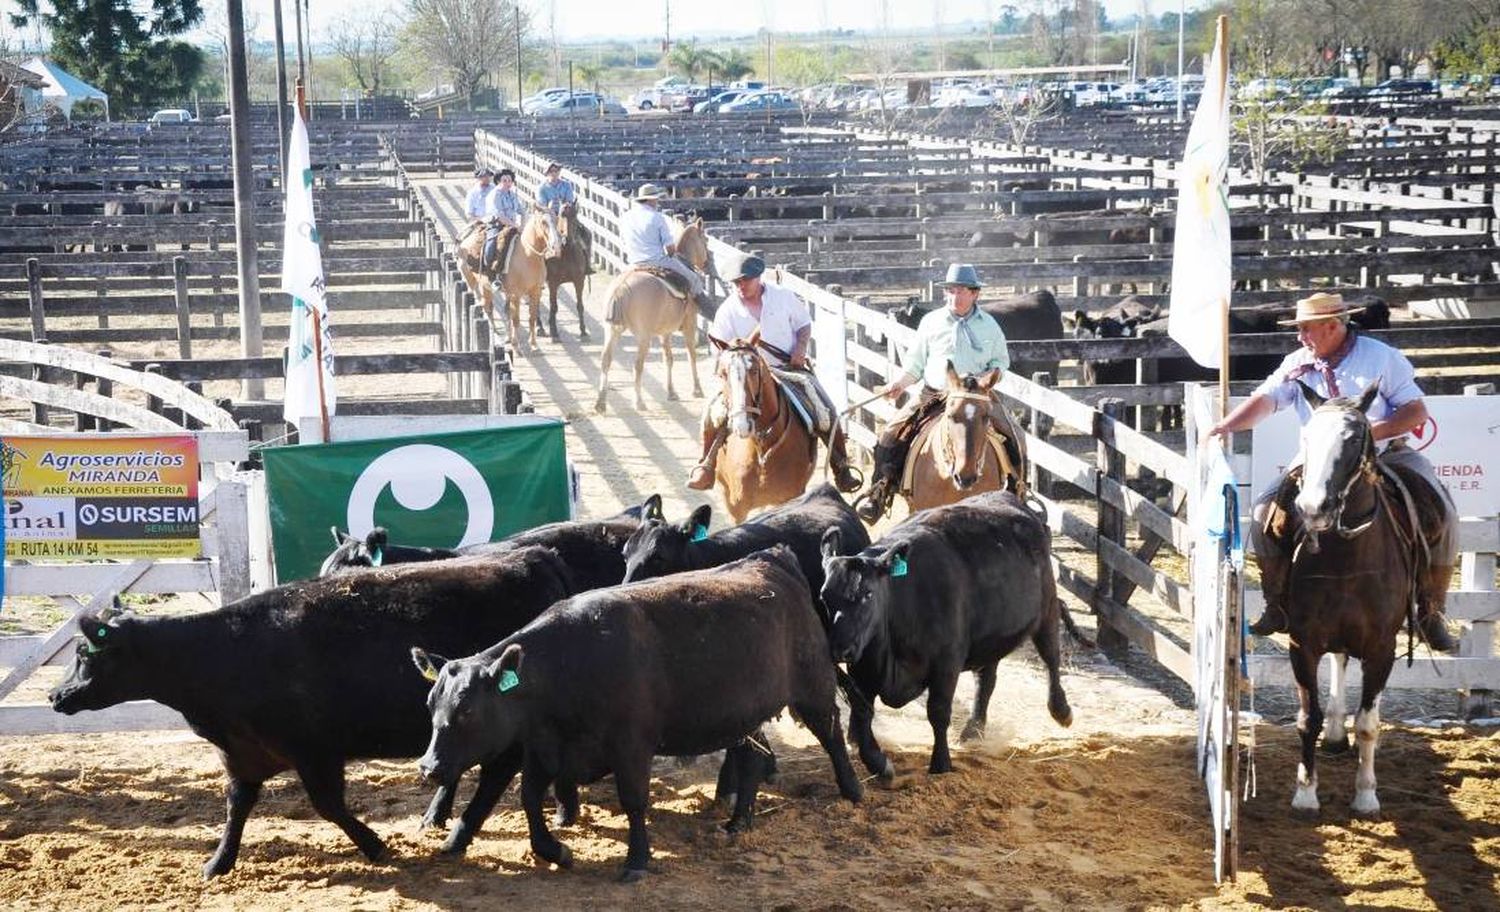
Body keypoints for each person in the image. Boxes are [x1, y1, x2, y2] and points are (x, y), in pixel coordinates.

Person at [1206, 292, 1459, 651]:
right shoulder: (1298, 361)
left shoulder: (1381, 358)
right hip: (1319, 461)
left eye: (1306, 329)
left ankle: (1432, 610)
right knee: (1264, 512)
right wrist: (1226, 426)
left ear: (1333, 326)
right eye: (1299, 330)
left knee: (1442, 511)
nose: (1300, 337)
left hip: (1385, 453)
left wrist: (1369, 433)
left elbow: (1415, 412)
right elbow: (1266, 399)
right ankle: (1276, 602)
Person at [852, 264, 1022, 524]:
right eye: (951, 291)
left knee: (1014, 435)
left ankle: (1020, 493)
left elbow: (1001, 363)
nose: (955, 296)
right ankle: (879, 492)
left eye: (962, 291)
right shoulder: (931, 322)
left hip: (977, 396)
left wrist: (985, 380)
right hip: (934, 393)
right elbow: (915, 364)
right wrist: (899, 383)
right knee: (891, 433)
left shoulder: (990, 325)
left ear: (975, 294)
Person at [687, 254, 861, 493]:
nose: (740, 286)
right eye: (736, 282)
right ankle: (705, 464)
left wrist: (800, 350)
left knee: (825, 409)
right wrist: (726, 369)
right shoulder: (728, 310)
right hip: (744, 376)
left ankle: (841, 466)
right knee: (712, 413)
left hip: (787, 369)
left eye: (745, 280)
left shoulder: (783, 297)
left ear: (758, 278)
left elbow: (803, 325)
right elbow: (719, 350)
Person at [620, 182, 713, 310]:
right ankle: (711, 314)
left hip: (634, 262)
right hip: (656, 261)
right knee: (694, 279)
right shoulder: (657, 218)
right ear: (652, 200)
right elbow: (670, 250)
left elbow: (624, 241)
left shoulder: (626, 217)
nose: (657, 202)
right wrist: (671, 253)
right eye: (656, 199)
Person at [483, 168, 527, 274]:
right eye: (504, 180)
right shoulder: (494, 195)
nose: (508, 183)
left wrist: (523, 225)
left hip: (513, 225)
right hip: (497, 225)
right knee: (491, 246)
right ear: (498, 181)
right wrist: (515, 225)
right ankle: (489, 271)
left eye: (510, 180)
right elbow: (499, 216)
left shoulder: (512, 195)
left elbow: (522, 211)